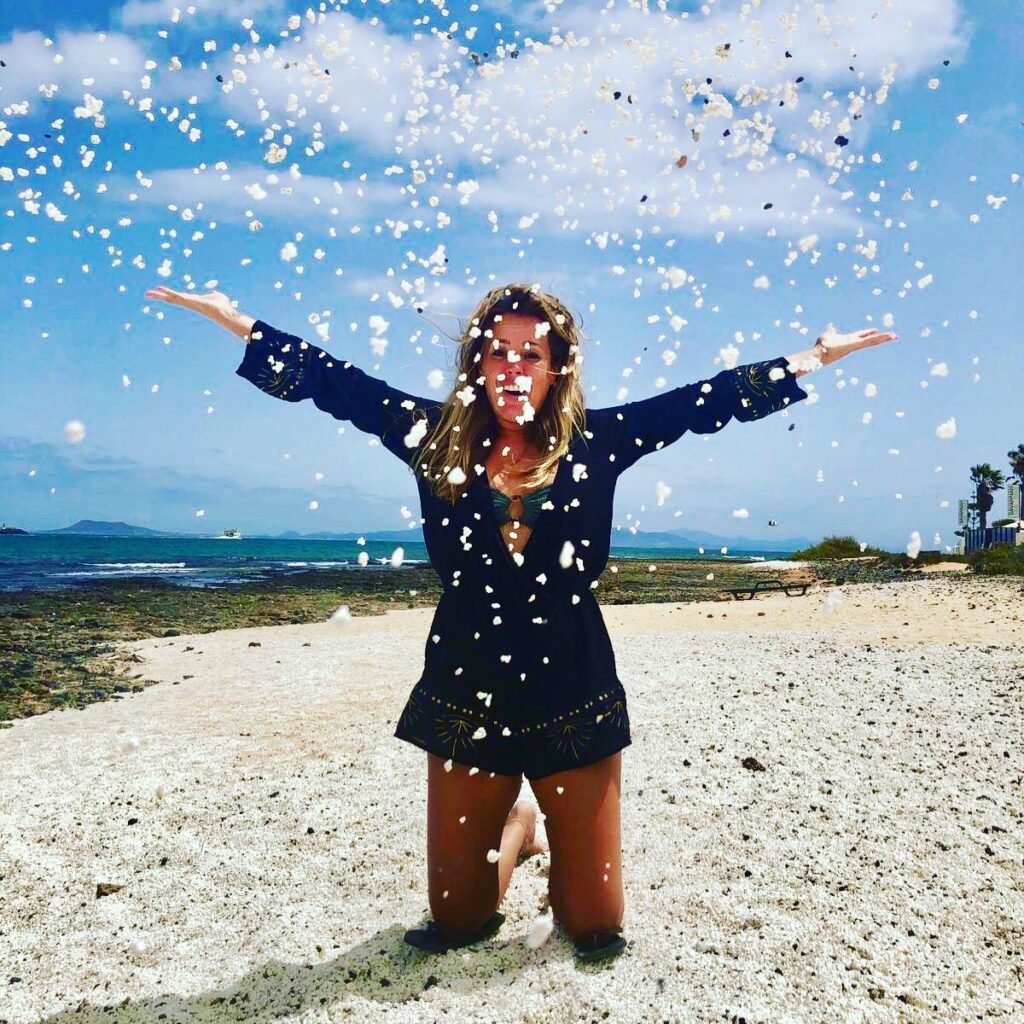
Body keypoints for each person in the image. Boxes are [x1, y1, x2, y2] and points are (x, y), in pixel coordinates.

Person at [144, 281, 895, 963]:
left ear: (555, 367)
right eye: (497, 352)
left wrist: (814, 356)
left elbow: (704, 402)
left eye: (529, 354)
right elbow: (335, 383)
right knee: (458, 920)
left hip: (573, 684)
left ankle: (564, 843)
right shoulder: (433, 435)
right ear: (477, 362)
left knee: (592, 925)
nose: (511, 368)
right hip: (465, 685)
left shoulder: (598, 441)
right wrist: (236, 321)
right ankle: (519, 830)